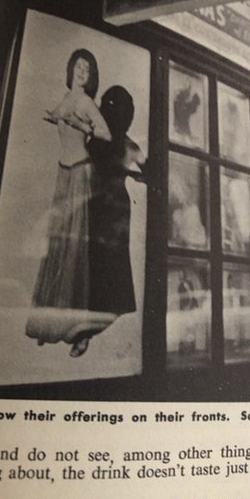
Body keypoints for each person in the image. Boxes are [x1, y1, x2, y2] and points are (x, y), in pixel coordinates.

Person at [26, 49, 113, 357]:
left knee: (75, 250)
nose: (81, 72)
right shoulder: (66, 97)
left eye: (87, 69)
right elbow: (61, 120)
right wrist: (56, 118)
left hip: (80, 173)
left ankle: (78, 332)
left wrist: (80, 125)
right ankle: (50, 326)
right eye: (78, 66)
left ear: (91, 76)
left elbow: (105, 134)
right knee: (58, 246)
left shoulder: (86, 102)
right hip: (63, 173)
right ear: (71, 69)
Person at [86, 85, 146, 322]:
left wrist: (131, 174)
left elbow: (150, 172)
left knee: (110, 255)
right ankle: (103, 307)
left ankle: (104, 307)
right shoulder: (109, 140)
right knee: (100, 254)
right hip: (102, 201)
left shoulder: (122, 144)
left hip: (111, 204)